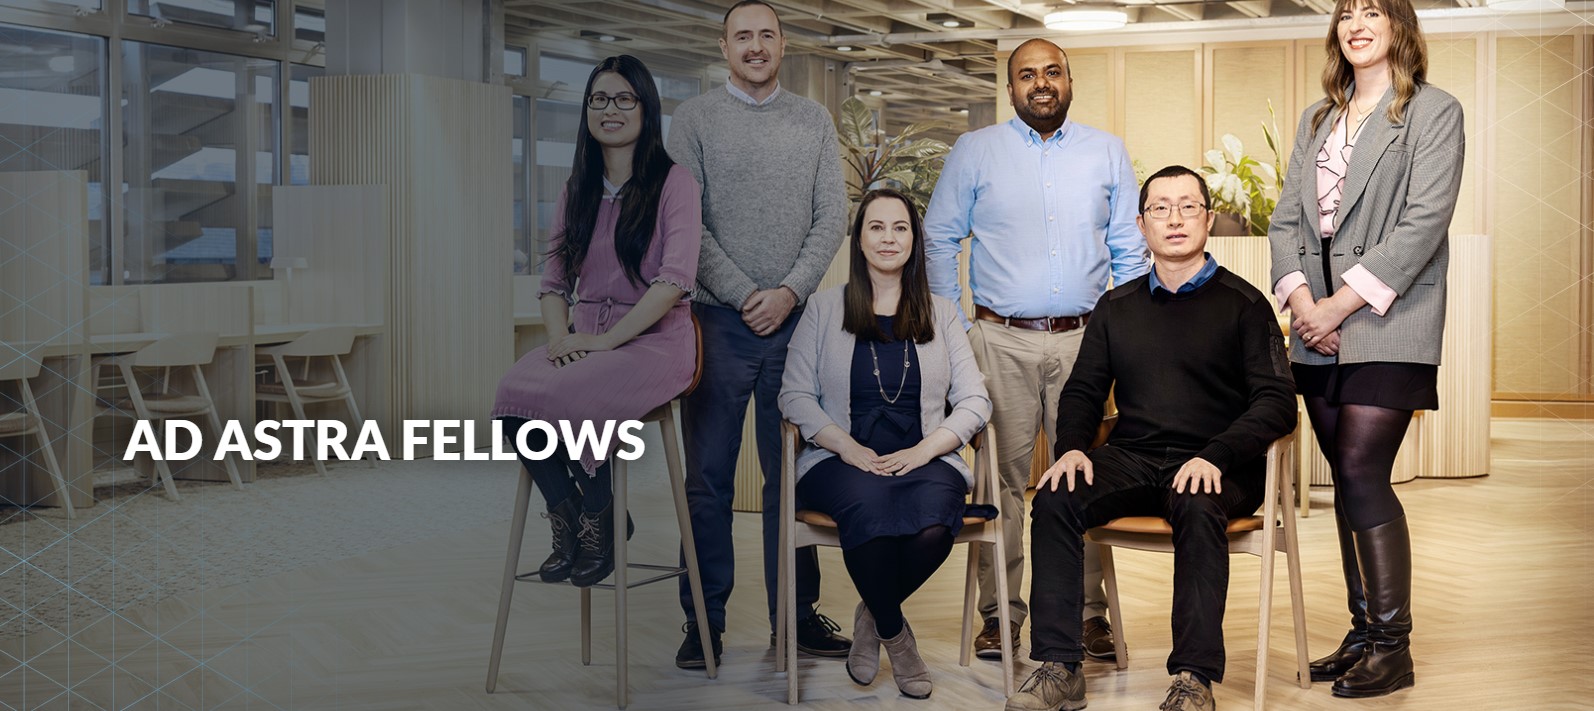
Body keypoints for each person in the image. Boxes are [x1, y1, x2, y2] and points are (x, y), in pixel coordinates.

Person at [1006, 166, 1297, 711]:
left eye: (1188, 206)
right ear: (1142, 225)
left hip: (1219, 466)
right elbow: (1083, 392)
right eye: (1160, 208)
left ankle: (1193, 678)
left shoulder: (1245, 304)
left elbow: (1277, 403)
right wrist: (1071, 447)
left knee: (1195, 498)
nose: (1175, 218)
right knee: (1054, 495)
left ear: (1209, 219)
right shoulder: (1117, 308)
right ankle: (1059, 666)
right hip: (1135, 458)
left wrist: (1216, 454)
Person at [924, 37, 1149, 662]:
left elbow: (1130, 248)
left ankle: (1087, 616)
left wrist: (1124, 334)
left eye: (1052, 72)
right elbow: (939, 237)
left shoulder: (1106, 151)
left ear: (1070, 81)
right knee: (998, 482)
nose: (1041, 83)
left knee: (1088, 474)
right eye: (1027, 75)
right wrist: (957, 328)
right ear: (1011, 85)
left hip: (1087, 340)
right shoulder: (976, 151)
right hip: (997, 340)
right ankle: (1000, 616)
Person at [1267, 0, 1463, 699]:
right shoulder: (1317, 118)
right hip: (1315, 323)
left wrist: (1337, 305)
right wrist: (1300, 304)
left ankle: (1393, 643)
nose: (1356, 22)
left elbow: (1422, 225)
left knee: (1361, 469)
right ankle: (1362, 631)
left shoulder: (1434, 113)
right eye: (1346, 12)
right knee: (1345, 481)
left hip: (1388, 316)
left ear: (1398, 27)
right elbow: (1286, 217)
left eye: (1371, 10)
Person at [667, 0, 850, 669]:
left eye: (766, 35)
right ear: (723, 47)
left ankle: (796, 617)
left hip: (797, 325)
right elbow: (686, 225)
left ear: (782, 44)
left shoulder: (813, 120)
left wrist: (789, 291)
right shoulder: (692, 121)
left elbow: (832, 214)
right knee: (707, 481)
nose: (754, 45)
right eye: (741, 36)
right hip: (716, 323)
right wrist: (747, 295)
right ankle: (703, 623)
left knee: (793, 478)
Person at [491, 56, 701, 588]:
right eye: (599, 100)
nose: (611, 110)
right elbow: (553, 282)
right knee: (512, 399)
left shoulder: (675, 183)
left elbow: (674, 280)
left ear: (646, 108)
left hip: (655, 341)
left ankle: (598, 515)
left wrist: (603, 343)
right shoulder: (576, 188)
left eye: (624, 99)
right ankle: (580, 516)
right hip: (586, 335)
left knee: (575, 392)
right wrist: (561, 338)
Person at [779, 189, 992, 700]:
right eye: (877, 227)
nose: (889, 238)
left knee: (936, 521)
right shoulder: (825, 308)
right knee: (868, 508)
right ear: (859, 239)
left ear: (915, 240)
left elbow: (974, 401)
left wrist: (926, 451)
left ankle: (874, 614)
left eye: (900, 227)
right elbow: (794, 394)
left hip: (923, 455)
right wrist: (846, 448)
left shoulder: (941, 314)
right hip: (841, 458)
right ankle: (899, 642)